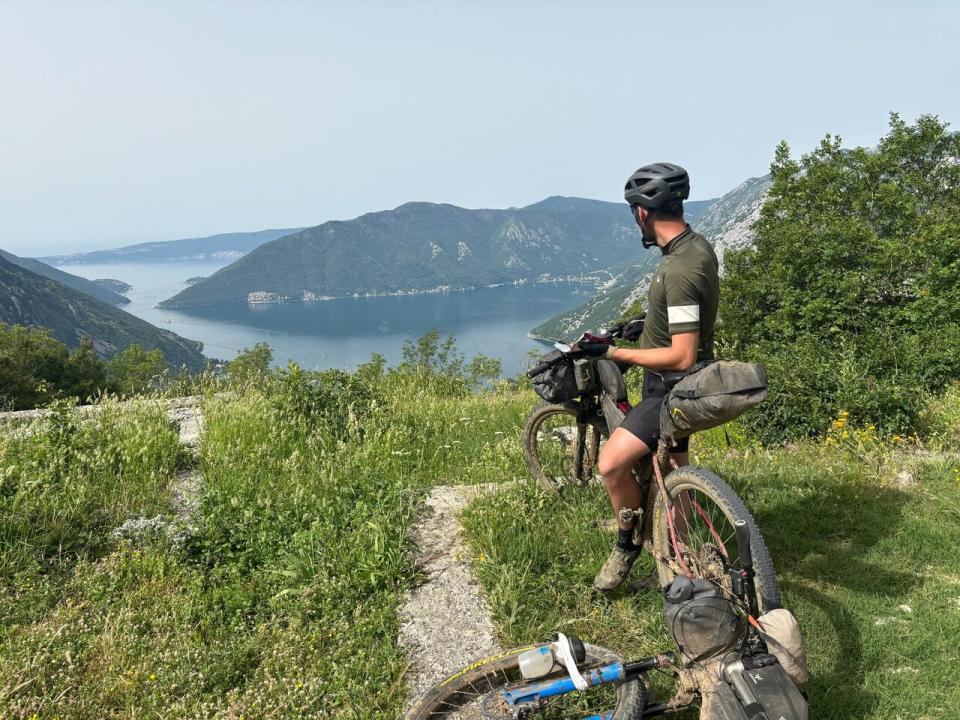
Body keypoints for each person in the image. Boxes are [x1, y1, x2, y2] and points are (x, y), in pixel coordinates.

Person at [576, 163, 720, 591]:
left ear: (642, 213)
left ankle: (626, 546)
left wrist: (613, 352)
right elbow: (684, 318)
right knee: (673, 468)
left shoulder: (679, 270)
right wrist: (643, 326)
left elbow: (681, 354)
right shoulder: (693, 248)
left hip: (671, 388)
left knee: (611, 463)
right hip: (686, 382)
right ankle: (681, 555)